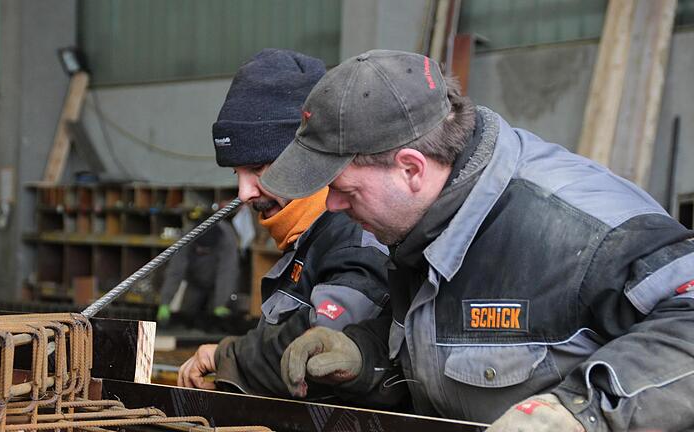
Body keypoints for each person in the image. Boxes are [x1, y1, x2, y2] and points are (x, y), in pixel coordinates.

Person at [260, 50, 694, 430]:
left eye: (344, 189)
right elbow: (435, 352)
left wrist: (582, 413)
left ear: (411, 169)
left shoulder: (578, 228)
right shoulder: (425, 226)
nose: (331, 204)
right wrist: (363, 356)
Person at [176, 49, 391, 399]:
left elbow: (317, 350)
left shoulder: (355, 240)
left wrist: (227, 358)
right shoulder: (307, 241)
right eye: (238, 173)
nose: (244, 192)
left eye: (259, 169)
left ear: (307, 158)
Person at [156, 213, 240, 329]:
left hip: (218, 282)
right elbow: (176, 270)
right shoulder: (187, 236)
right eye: (199, 250)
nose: (201, 252)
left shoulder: (227, 239)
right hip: (195, 280)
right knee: (187, 314)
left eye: (205, 251)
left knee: (216, 320)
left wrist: (221, 303)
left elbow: (227, 272)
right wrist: (165, 302)